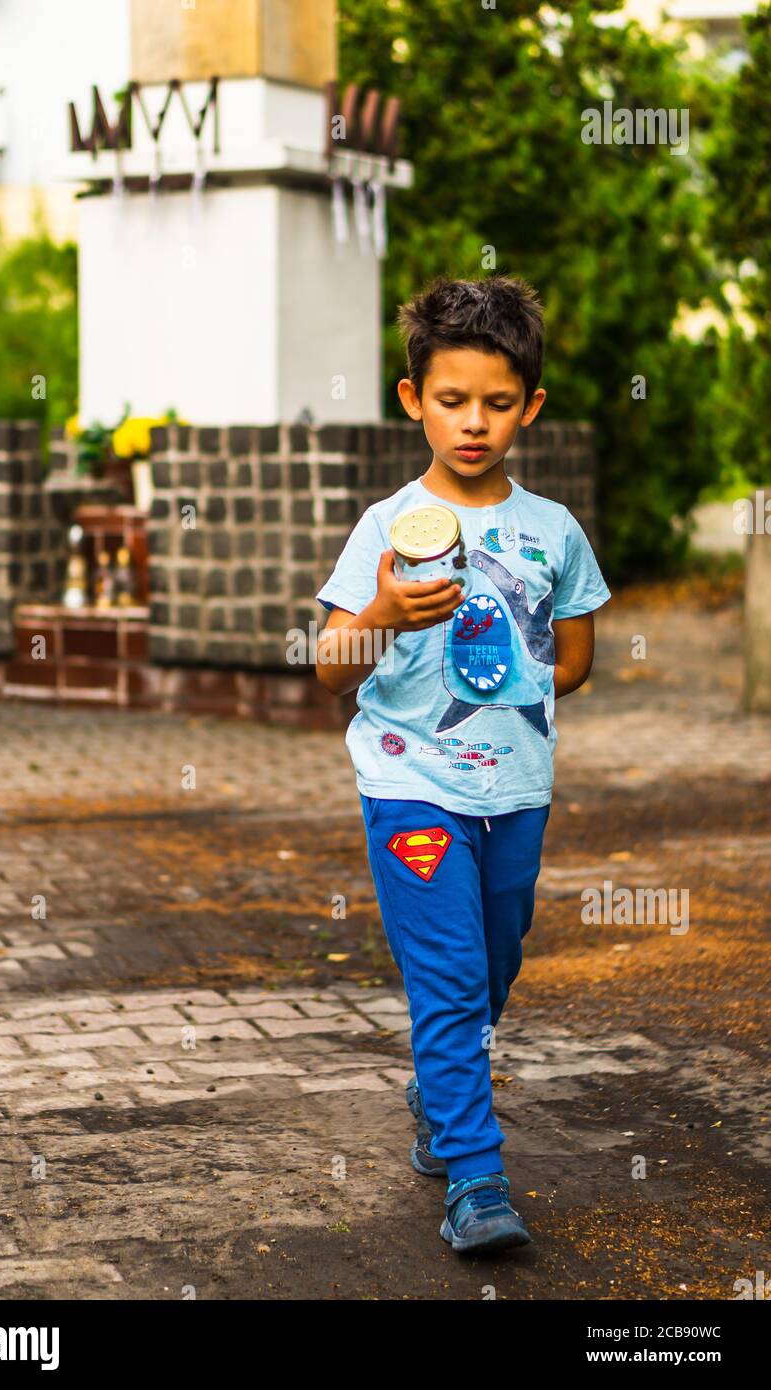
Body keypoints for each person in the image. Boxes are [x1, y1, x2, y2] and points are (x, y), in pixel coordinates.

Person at [314, 274, 611, 1256]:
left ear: (528, 405)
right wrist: (380, 617)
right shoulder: (383, 529)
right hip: (408, 784)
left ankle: (440, 1081)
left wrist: (510, 678)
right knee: (447, 980)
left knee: (494, 960)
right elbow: (326, 669)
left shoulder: (554, 532)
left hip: (516, 789)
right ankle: (475, 1177)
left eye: (495, 402)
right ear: (413, 401)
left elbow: (571, 660)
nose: (472, 423)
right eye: (450, 401)